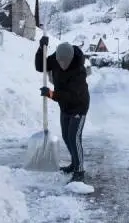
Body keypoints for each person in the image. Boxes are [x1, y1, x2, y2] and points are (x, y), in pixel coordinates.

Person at [35, 36, 90, 183]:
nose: (61, 64)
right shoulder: (58, 57)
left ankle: (79, 171)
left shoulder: (79, 70)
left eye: (64, 61)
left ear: (71, 58)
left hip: (78, 105)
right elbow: (41, 66)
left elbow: (71, 96)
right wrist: (41, 49)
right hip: (65, 106)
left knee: (74, 137)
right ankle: (74, 163)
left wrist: (51, 94)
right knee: (66, 137)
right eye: (59, 61)